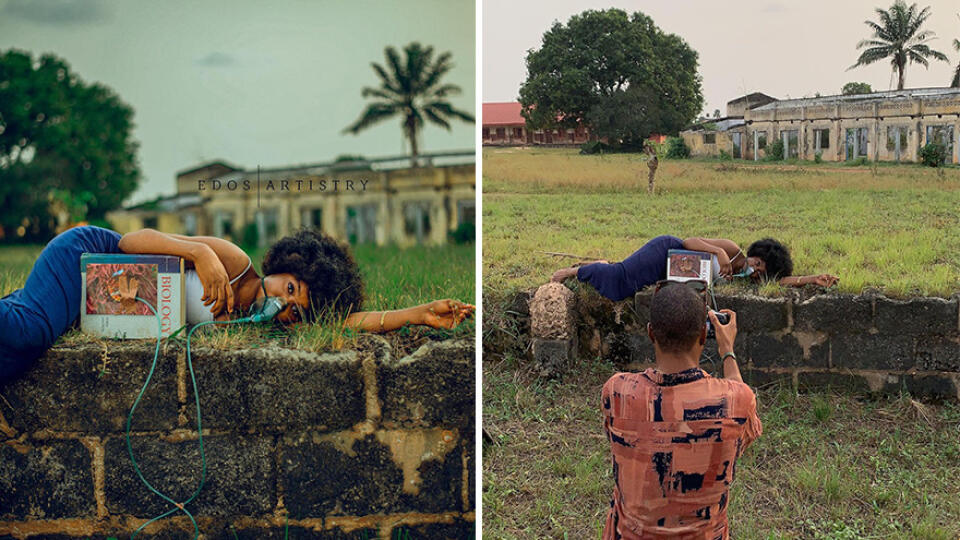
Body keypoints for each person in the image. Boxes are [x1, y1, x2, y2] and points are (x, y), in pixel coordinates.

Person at [0, 225, 474, 380]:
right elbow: (131, 239)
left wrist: (418, 314)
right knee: (29, 331)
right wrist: (199, 252)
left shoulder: (264, 325)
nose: (285, 305)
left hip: (106, 307)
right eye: (289, 289)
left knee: (15, 360)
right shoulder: (235, 263)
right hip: (89, 261)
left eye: (297, 308)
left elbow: (353, 321)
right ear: (284, 266)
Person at [601, 282, 761, 539]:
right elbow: (743, 410)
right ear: (702, 334)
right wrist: (727, 351)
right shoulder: (736, 401)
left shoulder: (617, 391)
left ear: (651, 333)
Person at [551, 235, 839, 302]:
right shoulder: (732, 250)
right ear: (754, 255)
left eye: (761, 271)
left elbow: (782, 282)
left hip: (670, 274)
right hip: (667, 251)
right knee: (620, 284)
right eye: (757, 263)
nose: (755, 270)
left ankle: (602, 266)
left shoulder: (747, 280)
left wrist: (813, 278)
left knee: (626, 287)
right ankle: (575, 272)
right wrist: (718, 254)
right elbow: (690, 241)